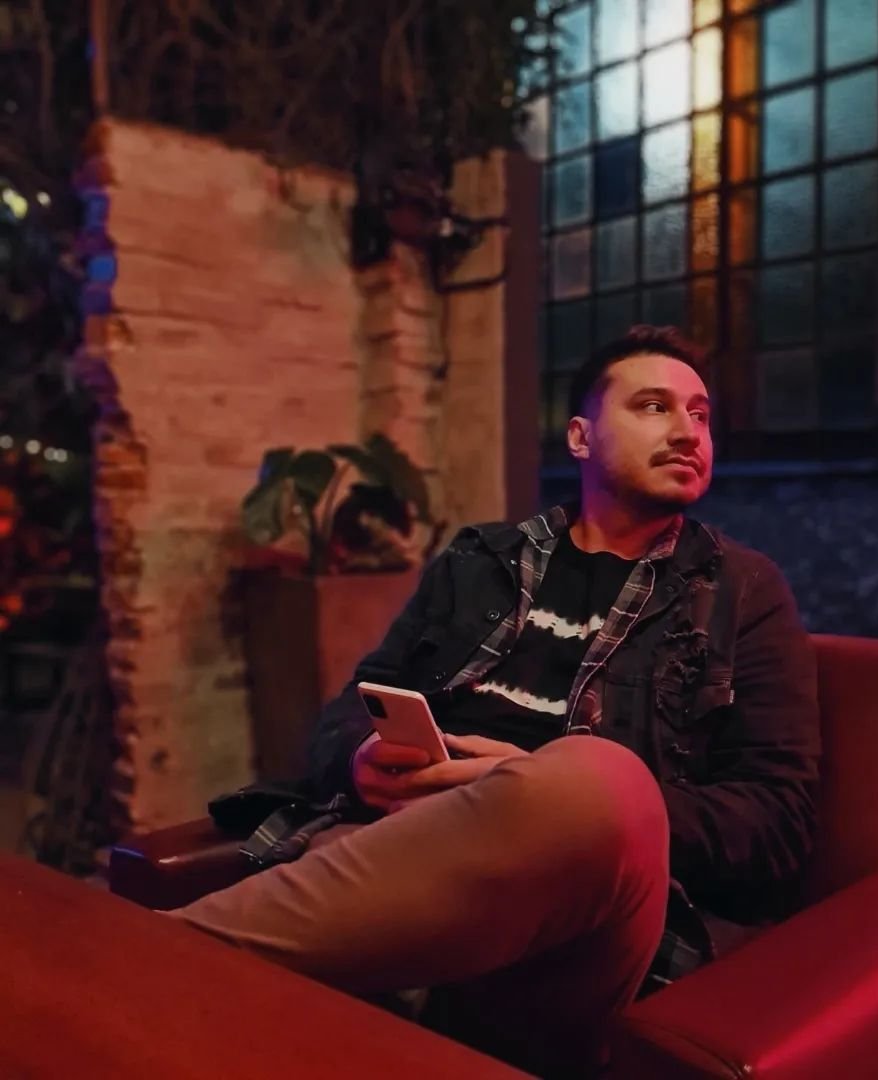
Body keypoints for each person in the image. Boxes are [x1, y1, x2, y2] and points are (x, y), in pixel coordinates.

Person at [169, 325, 821, 1076]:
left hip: (589, 903)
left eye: (700, 414)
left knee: (596, 778)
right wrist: (362, 758)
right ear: (579, 437)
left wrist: (528, 787)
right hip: (406, 843)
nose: (687, 431)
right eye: (654, 407)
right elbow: (355, 704)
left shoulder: (742, 590)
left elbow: (780, 825)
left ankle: (146, 952)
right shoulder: (479, 560)